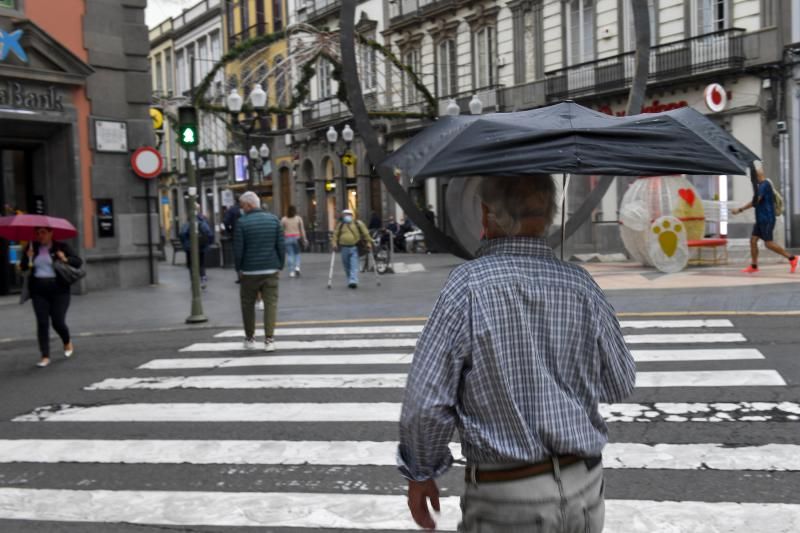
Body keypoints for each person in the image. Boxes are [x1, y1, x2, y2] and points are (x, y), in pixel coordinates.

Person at [398, 175, 636, 532]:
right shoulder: (580, 284)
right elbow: (620, 382)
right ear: (550, 215)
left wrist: (420, 473)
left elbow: (427, 403)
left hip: (506, 496)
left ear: (486, 215)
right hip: (583, 490)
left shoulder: (468, 286)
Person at [19, 227, 83, 368]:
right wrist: (28, 257)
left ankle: (66, 341)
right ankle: (45, 356)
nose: (40, 236)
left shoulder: (61, 246)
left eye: (43, 232)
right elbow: (23, 268)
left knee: (57, 321)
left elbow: (78, 262)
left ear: (50, 233)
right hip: (39, 291)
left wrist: (65, 258)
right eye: (37, 233)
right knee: (42, 323)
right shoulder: (31, 247)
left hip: (59, 290)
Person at [234, 191, 285, 352]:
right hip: (271, 269)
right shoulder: (274, 220)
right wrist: (280, 265)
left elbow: (238, 251)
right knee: (271, 304)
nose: (241, 208)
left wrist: (239, 270)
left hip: (249, 271)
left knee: (247, 304)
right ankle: (269, 340)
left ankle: (250, 338)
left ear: (249, 205)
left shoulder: (241, 223)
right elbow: (281, 246)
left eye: (242, 205)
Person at [732, 167, 797, 274]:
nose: (753, 180)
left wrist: (740, 209)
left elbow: (756, 201)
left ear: (757, 176)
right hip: (760, 219)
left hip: (767, 218)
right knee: (753, 240)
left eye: (753, 178)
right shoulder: (761, 185)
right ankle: (754, 266)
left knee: (768, 244)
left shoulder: (764, 185)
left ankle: (792, 258)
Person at [331, 208, 371, 289]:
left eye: (348, 215)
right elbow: (335, 235)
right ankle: (350, 279)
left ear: (352, 216)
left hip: (354, 246)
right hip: (344, 247)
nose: (346, 216)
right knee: (346, 265)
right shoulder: (340, 225)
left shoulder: (357, 223)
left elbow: (366, 233)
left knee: (354, 264)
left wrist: (369, 242)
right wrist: (334, 243)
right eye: (345, 215)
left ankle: (353, 280)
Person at [180, 206, 214, 289]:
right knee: (201, 264)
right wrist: (208, 243)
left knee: (191, 265)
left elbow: (182, 234)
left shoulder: (189, 222)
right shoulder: (202, 221)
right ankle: (203, 279)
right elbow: (209, 234)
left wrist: (185, 244)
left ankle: (194, 282)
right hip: (201, 247)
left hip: (190, 248)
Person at [281, 205, 308, 278]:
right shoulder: (298, 219)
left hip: (287, 238)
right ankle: (297, 267)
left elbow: (281, 230)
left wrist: (282, 238)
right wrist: (304, 239)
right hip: (297, 238)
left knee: (290, 255)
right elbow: (302, 230)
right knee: (297, 254)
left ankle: (291, 271)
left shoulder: (284, 219)